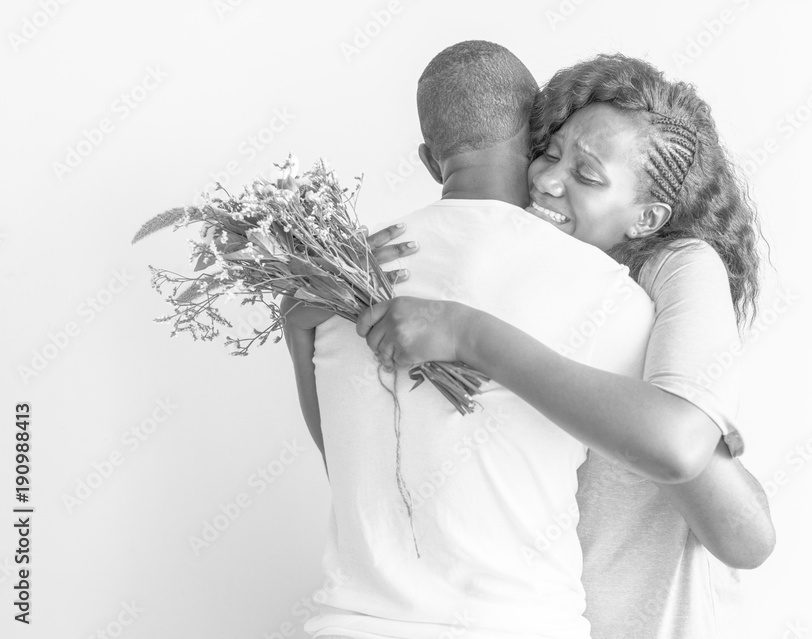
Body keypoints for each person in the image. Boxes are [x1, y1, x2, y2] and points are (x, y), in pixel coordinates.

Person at [357, 53, 774, 638]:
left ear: (648, 217)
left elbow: (733, 520)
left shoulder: (673, 269)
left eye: (588, 175)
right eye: (548, 154)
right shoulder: (516, 269)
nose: (548, 181)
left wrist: (467, 335)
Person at [287, 41, 658, 639]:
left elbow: (349, 465)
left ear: (430, 161)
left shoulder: (336, 280)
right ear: (539, 145)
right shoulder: (611, 294)